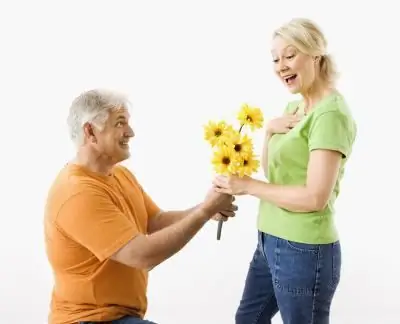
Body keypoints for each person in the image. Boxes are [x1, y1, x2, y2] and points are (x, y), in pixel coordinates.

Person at [43, 89, 237, 324]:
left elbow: (154, 222)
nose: (131, 132)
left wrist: (205, 208)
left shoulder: (119, 175)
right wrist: (204, 211)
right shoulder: (77, 193)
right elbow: (143, 255)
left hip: (119, 317)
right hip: (89, 320)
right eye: (120, 123)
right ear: (90, 132)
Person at [212, 18, 357, 324]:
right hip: (270, 239)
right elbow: (274, 171)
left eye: (290, 55)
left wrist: (247, 186)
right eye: (275, 59)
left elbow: (315, 197)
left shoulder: (330, 115)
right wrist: (268, 133)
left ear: (315, 55)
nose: (281, 66)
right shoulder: (295, 109)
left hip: (305, 249)